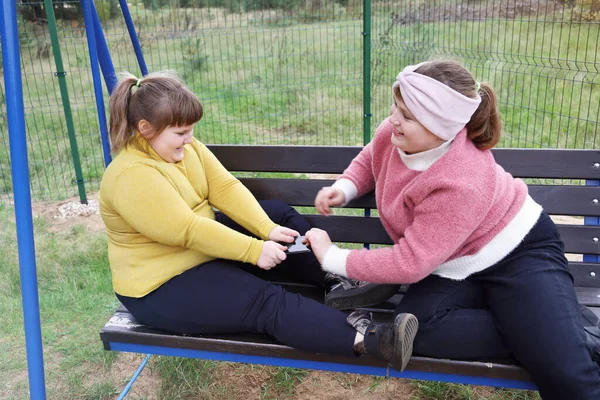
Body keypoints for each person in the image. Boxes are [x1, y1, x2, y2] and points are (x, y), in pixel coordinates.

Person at [306, 59, 600, 399]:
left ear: (443, 127)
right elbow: (372, 158)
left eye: (408, 115)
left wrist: (333, 257)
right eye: (396, 106)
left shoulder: (460, 178)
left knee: (568, 377)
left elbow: (409, 263)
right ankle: (552, 330)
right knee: (415, 330)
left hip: (517, 253)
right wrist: (345, 188)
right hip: (451, 261)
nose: (393, 119)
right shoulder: (394, 133)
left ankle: (561, 339)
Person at [98, 70, 419, 372]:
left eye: (191, 130)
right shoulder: (131, 176)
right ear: (145, 128)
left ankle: (338, 282)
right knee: (265, 303)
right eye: (181, 133)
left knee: (277, 216)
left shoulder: (181, 148)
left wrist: (266, 230)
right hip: (161, 285)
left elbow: (223, 186)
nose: (190, 140)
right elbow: (188, 230)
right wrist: (254, 249)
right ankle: (374, 339)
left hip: (201, 252)